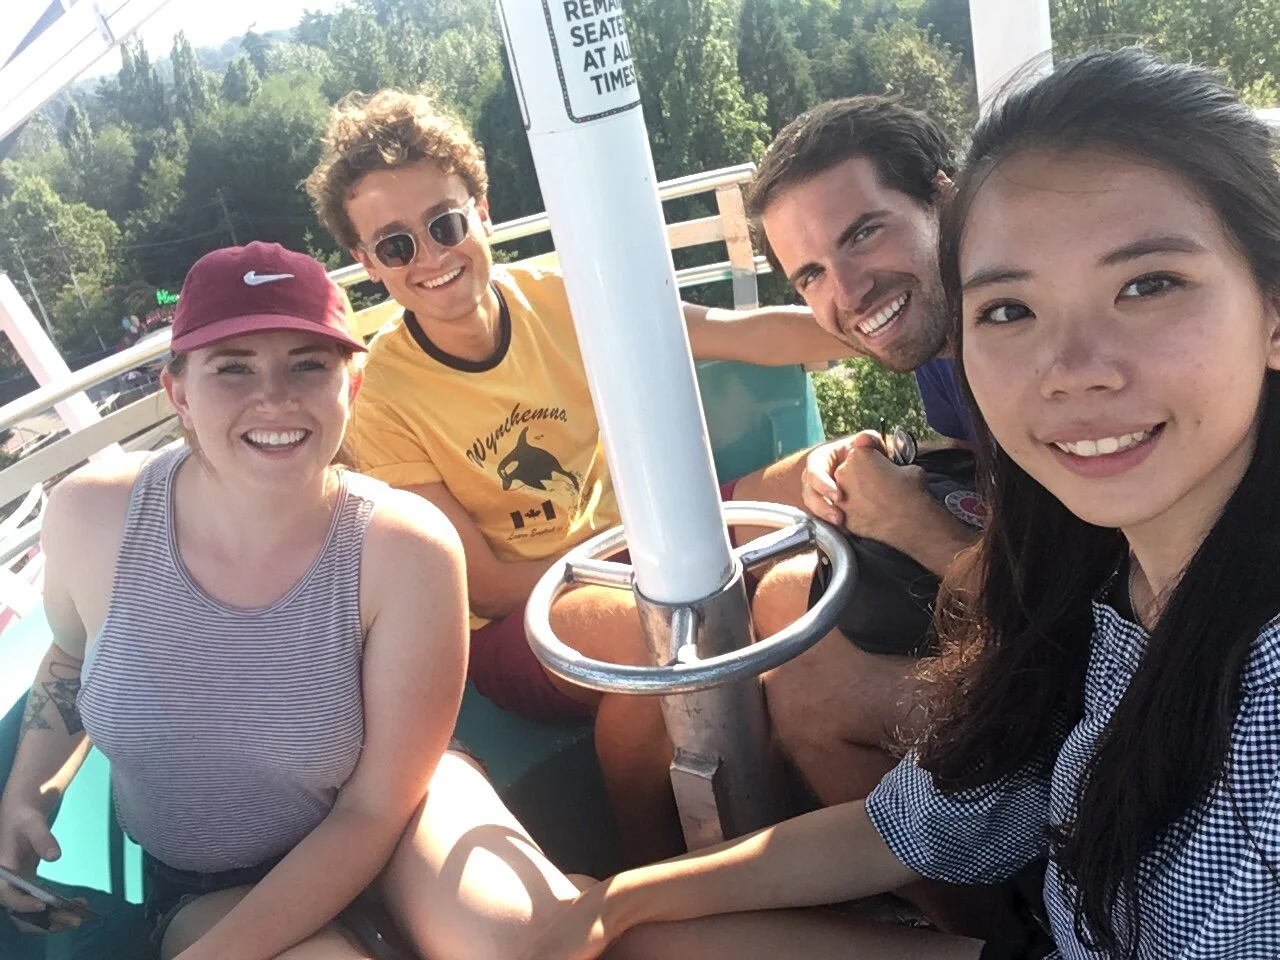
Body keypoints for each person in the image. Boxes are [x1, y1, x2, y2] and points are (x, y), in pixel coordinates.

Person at [519, 48, 1280, 960]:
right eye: (1008, 310)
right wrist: (623, 903)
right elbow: (908, 822)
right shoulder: (1106, 585)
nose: (1074, 372)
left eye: (1147, 285)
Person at [303, 90, 853, 864]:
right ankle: (658, 857)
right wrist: (638, 545)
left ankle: (856, 791)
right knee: (656, 640)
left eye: (445, 224)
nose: (429, 257)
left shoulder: (560, 295)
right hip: (520, 620)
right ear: (367, 263)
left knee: (844, 474)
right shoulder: (383, 397)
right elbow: (483, 585)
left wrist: (884, 328)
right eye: (395, 246)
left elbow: (729, 331)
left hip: (641, 544)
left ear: (481, 213)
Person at [0, 242, 588, 960]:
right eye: (233, 366)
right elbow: (70, 653)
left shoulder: (403, 548)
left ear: (354, 386)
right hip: (206, 881)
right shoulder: (93, 519)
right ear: (178, 391)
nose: (274, 397)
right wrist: (28, 793)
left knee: (523, 946)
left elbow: (376, 807)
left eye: (308, 364)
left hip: (401, 816)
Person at [743, 97, 986, 811]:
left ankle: (988, 922)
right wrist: (882, 460)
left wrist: (909, 522)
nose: (847, 291)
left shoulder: (1024, 343)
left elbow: (1084, 615)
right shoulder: (946, 344)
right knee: (789, 593)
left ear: (944, 197)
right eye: (811, 274)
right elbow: (990, 461)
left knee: (810, 702)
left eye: (865, 233)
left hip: (1136, 685)